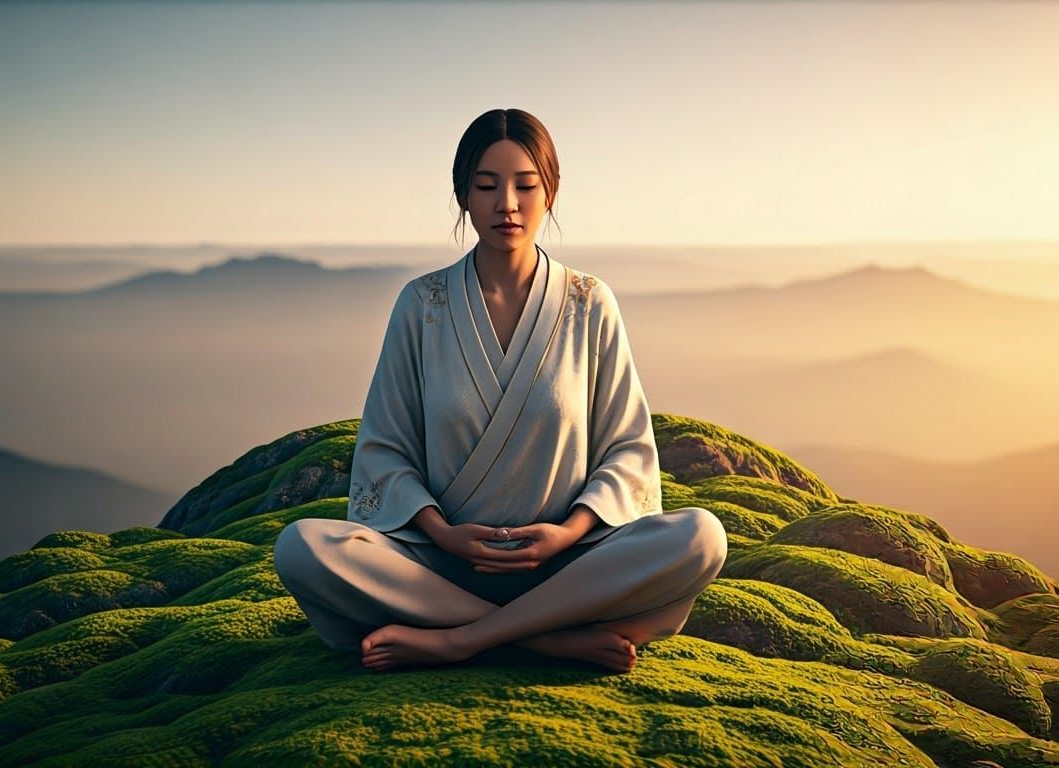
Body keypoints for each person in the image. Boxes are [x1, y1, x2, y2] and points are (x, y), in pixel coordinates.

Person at [274, 108, 727, 674]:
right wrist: (445, 535)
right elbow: (385, 452)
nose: (506, 204)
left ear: (551, 192)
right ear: (463, 196)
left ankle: (458, 639)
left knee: (702, 536)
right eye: (486, 186)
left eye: (524, 186)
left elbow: (627, 453)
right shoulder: (422, 305)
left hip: (568, 566)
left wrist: (566, 534)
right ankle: (547, 639)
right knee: (300, 547)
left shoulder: (590, 303)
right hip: (439, 567)